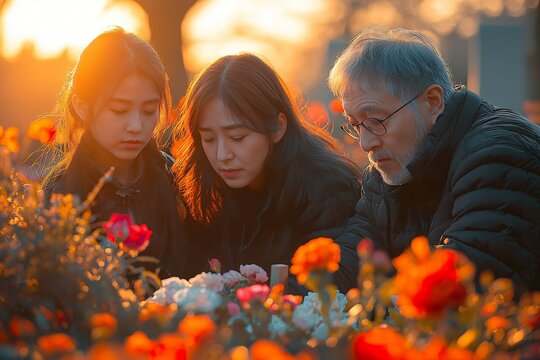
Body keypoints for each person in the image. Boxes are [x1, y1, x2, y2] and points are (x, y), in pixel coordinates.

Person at [328, 26, 540, 292]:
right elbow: (354, 258)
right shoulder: (386, 170)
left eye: (376, 120)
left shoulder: (498, 152)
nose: (366, 143)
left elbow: (464, 279)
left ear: (433, 101)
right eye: (356, 125)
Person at [172, 53, 362, 293]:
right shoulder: (199, 187)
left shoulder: (325, 190)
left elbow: (322, 291)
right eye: (208, 138)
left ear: (277, 127)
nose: (222, 154)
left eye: (237, 137)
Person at [42, 28, 186, 278]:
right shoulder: (59, 192)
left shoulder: (175, 180)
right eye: (120, 110)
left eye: (149, 110)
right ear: (81, 106)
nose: (137, 126)